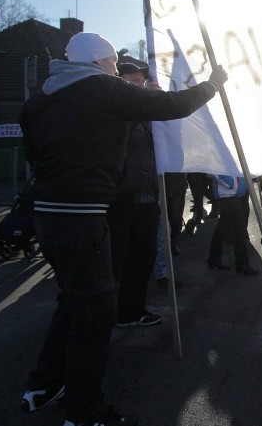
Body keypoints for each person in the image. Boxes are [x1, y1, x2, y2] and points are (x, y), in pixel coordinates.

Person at [18, 32, 226, 426]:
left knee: (72, 301)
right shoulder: (102, 88)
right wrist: (213, 84)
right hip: (83, 216)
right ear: (97, 62)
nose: (117, 69)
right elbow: (172, 105)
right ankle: (84, 413)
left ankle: (44, 384)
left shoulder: (40, 99)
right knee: (95, 315)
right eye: (113, 62)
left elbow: (33, 154)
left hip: (45, 215)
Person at [107, 63, 164, 328]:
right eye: (134, 81)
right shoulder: (116, 110)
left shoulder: (145, 115)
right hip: (121, 198)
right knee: (116, 259)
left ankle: (132, 310)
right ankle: (105, 312)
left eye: (143, 82)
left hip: (148, 195)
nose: (140, 86)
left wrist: (156, 104)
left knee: (143, 258)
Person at [206, 175, 259, 275]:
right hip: (227, 194)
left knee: (223, 227)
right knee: (239, 228)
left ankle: (214, 258)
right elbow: (217, 171)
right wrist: (234, 184)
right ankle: (242, 263)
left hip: (231, 193)